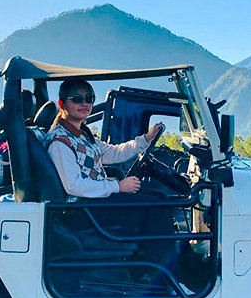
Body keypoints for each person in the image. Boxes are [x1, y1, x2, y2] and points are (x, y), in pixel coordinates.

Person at [44, 79, 175, 268]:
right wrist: (118, 186)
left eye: (89, 98)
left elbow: (113, 153)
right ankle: (162, 276)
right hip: (82, 210)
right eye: (77, 99)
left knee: (161, 197)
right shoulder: (59, 141)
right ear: (62, 104)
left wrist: (145, 139)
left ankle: (151, 268)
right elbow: (73, 185)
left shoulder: (82, 134)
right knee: (156, 208)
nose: (84, 103)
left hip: (95, 201)